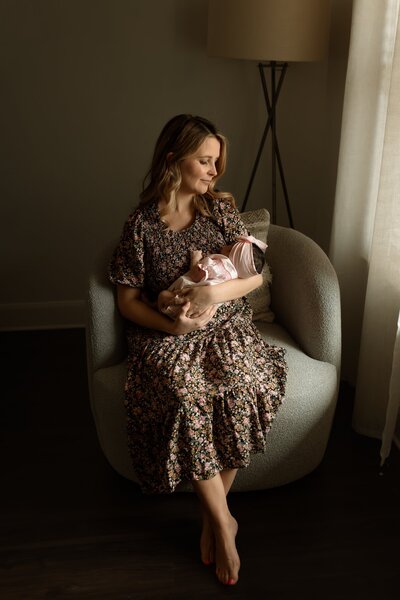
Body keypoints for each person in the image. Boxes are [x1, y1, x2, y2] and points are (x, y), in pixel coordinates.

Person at [109, 114, 287, 586]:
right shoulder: (140, 226)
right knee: (186, 396)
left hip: (226, 325)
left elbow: (252, 276)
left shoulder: (219, 210)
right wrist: (171, 325)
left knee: (250, 383)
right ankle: (223, 522)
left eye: (217, 162)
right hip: (166, 334)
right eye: (204, 161)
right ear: (173, 160)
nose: (214, 171)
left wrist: (211, 296)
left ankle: (215, 516)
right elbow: (128, 301)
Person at [158, 235, 267, 319]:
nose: (224, 246)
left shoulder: (220, 266)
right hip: (202, 313)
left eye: (229, 249)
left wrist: (196, 260)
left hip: (185, 301)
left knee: (163, 296)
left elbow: (196, 276)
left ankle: (154, 306)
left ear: (232, 258)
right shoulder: (235, 276)